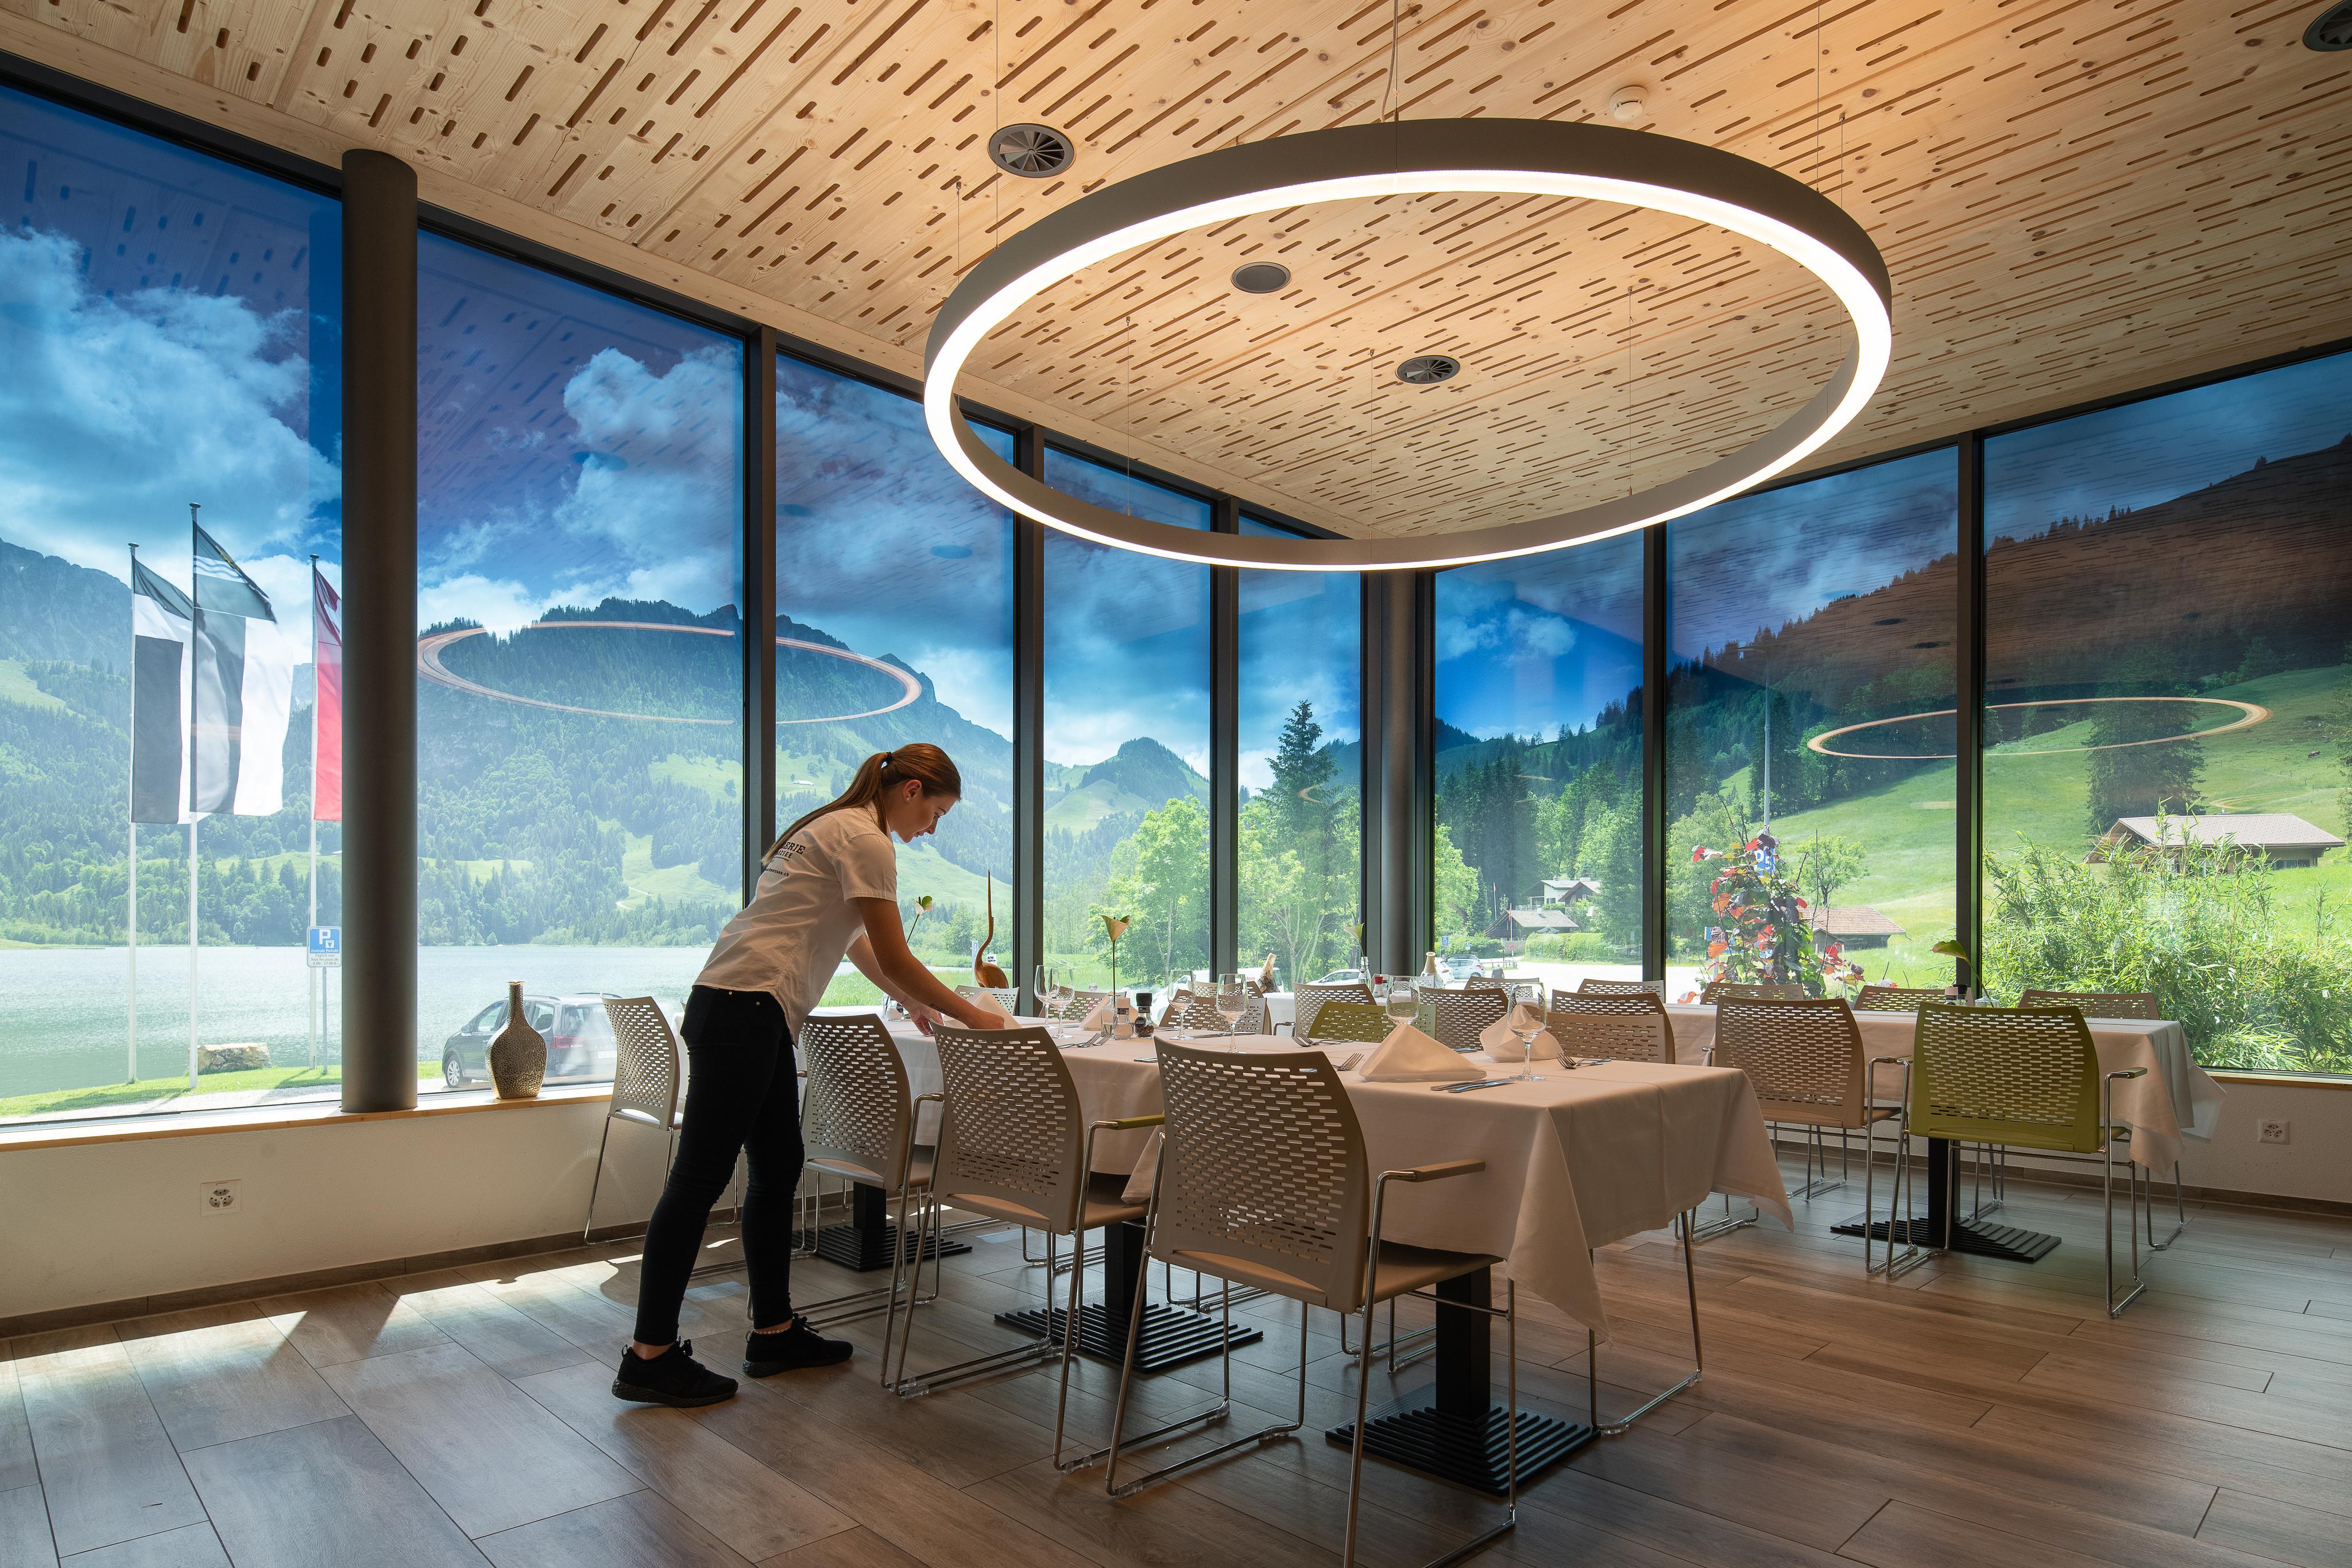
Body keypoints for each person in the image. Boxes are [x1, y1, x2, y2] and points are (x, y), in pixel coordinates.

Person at [614, 744, 1003, 1407]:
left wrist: (910, 1000)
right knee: (699, 1180)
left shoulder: (827, 826)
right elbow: (895, 952)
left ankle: (775, 1331)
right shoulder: (867, 839)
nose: (932, 829)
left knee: (778, 1165)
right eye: (935, 813)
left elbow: (853, 941)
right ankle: (649, 1356)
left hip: (742, 1006)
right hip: (745, 1009)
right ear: (911, 789)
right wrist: (973, 1016)